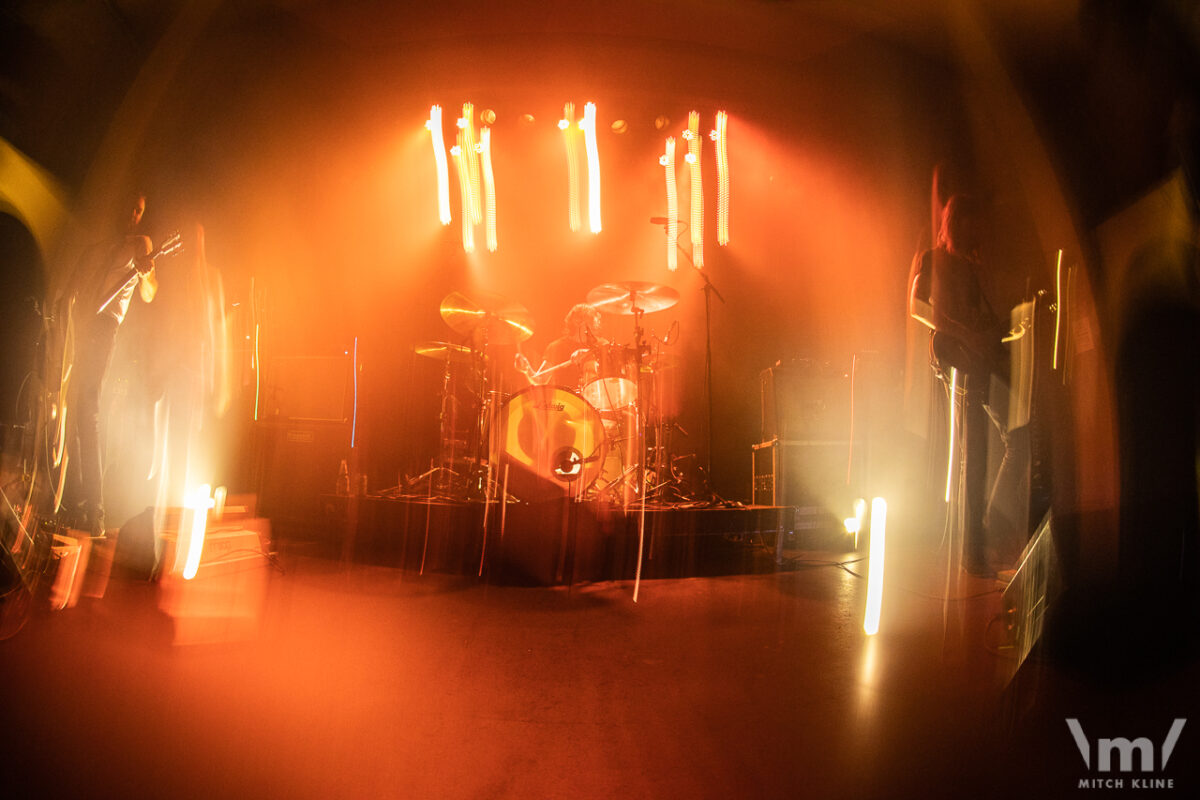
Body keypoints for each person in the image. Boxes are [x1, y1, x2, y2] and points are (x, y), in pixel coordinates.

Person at [917, 195, 1014, 576]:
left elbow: (983, 321)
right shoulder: (934, 259)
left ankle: (983, 537)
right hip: (956, 359)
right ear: (956, 223)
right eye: (968, 224)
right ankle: (974, 549)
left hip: (974, 360)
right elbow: (917, 306)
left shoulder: (971, 267)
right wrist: (962, 335)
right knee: (973, 454)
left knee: (1008, 441)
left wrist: (999, 331)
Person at [63, 191, 159, 536]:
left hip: (105, 328)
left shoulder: (140, 244)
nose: (132, 214)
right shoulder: (100, 245)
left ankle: (96, 512)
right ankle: (77, 504)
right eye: (129, 206)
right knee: (73, 415)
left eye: (139, 210)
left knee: (88, 412)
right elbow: (75, 286)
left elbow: (149, 293)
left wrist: (146, 274)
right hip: (83, 325)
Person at [514, 303, 603, 389]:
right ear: (577, 321)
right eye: (591, 320)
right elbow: (540, 380)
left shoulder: (601, 344)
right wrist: (527, 369)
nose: (596, 323)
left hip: (597, 400)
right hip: (567, 402)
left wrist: (588, 353)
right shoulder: (556, 347)